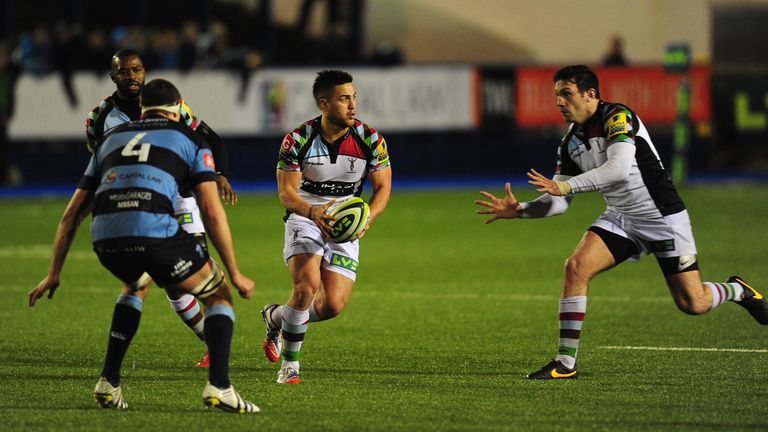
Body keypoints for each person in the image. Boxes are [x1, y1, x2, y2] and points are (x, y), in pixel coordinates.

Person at [474, 65, 768, 379]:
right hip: (621, 218)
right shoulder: (570, 143)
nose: (559, 102)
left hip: (662, 218)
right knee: (575, 267)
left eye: (566, 94)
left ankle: (739, 291)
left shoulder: (618, 117)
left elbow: (618, 169)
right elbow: (558, 204)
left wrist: (567, 185)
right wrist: (520, 210)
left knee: (692, 302)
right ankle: (565, 364)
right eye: (556, 95)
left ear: (590, 95)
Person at [28, 79, 259, 413]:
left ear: (143, 108)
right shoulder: (191, 138)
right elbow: (210, 210)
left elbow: (71, 215)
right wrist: (236, 273)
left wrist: (53, 273)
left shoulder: (109, 139)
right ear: (179, 108)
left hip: (105, 237)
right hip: (153, 229)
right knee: (217, 293)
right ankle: (220, 387)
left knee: (135, 285)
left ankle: (109, 383)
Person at [85, 48, 237, 367]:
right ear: (113, 76)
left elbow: (210, 138)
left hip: (179, 198)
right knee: (172, 285)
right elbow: (100, 161)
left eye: (137, 70)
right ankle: (213, 343)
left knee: (194, 271)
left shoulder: (171, 105)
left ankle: (216, 338)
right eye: (124, 71)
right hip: (138, 204)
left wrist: (218, 174)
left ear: (144, 71)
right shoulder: (99, 117)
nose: (132, 76)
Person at [260, 70, 392, 384]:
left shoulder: (370, 139)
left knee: (332, 305)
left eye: (354, 97)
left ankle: (275, 316)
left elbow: (383, 188)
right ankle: (290, 365)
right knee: (305, 288)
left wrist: (367, 219)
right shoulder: (298, 139)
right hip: (304, 218)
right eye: (344, 98)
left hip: (345, 224)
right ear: (324, 103)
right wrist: (312, 211)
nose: (352, 105)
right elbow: (286, 193)